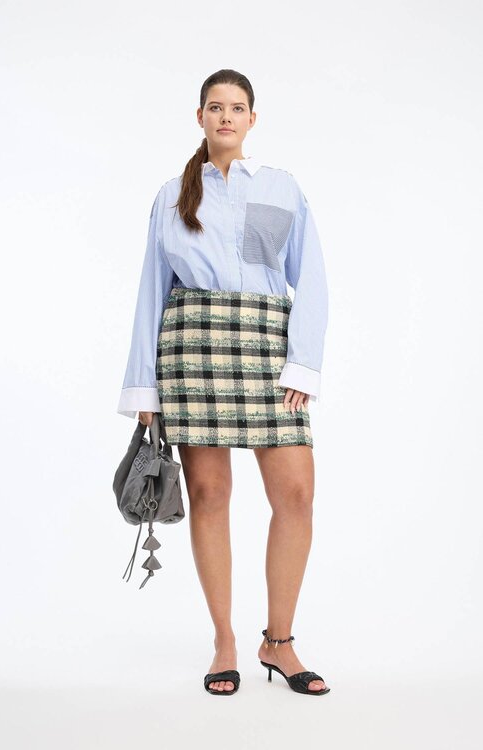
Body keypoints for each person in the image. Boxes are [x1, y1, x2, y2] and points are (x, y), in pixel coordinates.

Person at [117, 69, 330, 696]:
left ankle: (279, 641)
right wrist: (144, 388)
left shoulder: (283, 188)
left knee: (296, 495)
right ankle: (225, 641)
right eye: (216, 107)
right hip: (192, 353)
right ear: (201, 116)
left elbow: (312, 279)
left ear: (252, 119)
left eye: (237, 108)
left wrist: (302, 363)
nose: (227, 117)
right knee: (210, 495)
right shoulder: (172, 194)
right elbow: (151, 290)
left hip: (268, 352)